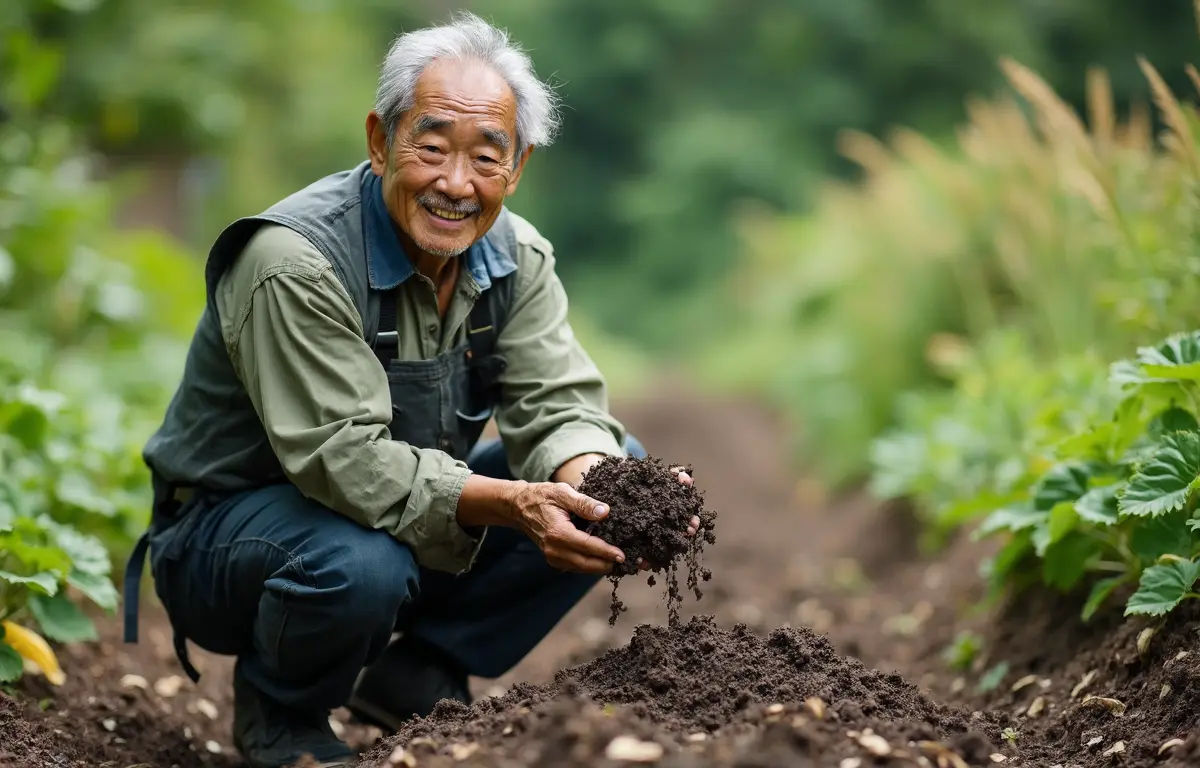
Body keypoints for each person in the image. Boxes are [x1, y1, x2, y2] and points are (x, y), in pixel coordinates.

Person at [120, 12, 699, 768]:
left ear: (516, 165)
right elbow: (343, 457)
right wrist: (516, 506)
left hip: (391, 520)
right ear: (379, 141)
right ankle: (281, 715)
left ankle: (416, 671)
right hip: (229, 539)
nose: (456, 184)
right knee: (361, 561)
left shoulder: (514, 258)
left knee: (617, 460)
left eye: (485, 158)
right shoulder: (292, 260)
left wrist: (596, 492)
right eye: (431, 149)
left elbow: (557, 404)